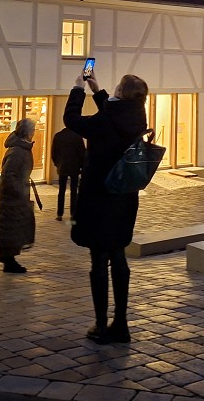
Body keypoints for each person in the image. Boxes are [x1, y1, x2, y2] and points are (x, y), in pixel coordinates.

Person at [63, 72, 149, 345]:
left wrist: (78, 90)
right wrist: (98, 91)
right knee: (118, 254)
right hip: (124, 197)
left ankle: (101, 325)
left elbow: (72, 121)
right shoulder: (137, 116)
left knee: (99, 259)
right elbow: (114, 119)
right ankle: (121, 323)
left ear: (121, 92)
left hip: (99, 197)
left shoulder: (106, 120)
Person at [0, 118, 37, 273]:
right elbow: (9, 175)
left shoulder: (20, 148)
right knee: (11, 225)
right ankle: (8, 259)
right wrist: (19, 190)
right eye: (33, 129)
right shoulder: (17, 151)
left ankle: (8, 256)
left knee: (15, 224)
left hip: (16, 194)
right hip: (12, 196)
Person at [51, 127, 86, 221]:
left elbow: (53, 153)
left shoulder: (58, 136)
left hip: (62, 166)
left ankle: (59, 213)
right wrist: (82, 167)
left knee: (61, 191)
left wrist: (57, 164)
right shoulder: (77, 137)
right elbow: (82, 153)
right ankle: (73, 213)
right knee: (74, 191)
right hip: (74, 167)